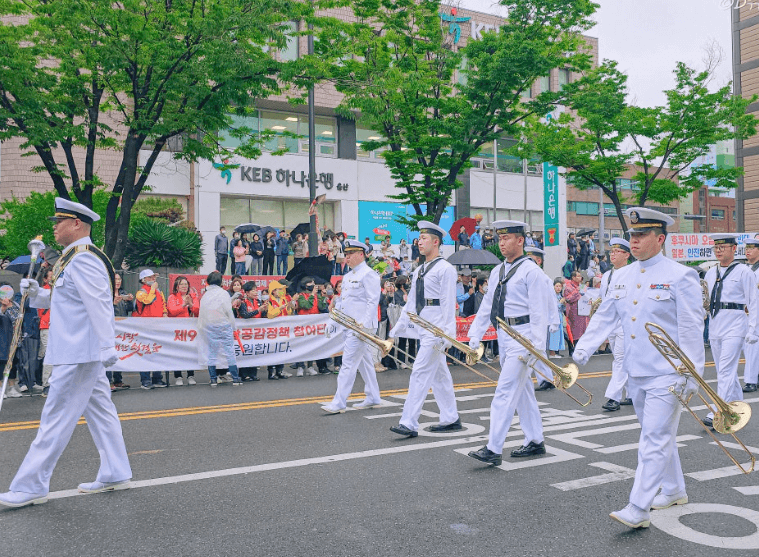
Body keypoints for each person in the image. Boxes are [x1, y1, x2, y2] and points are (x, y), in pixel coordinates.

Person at [571, 207, 704, 529]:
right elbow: (607, 316)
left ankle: (638, 507)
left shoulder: (680, 275)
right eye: (632, 235)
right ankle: (673, 489)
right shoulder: (621, 275)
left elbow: (690, 326)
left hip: (668, 372)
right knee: (656, 434)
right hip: (637, 371)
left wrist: (691, 373)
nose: (635, 240)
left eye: (642, 235)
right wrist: (585, 347)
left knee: (654, 439)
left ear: (660, 238)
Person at [0, 198, 131, 509]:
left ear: (76, 224)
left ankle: (31, 485)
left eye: (59, 221)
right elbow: (66, 302)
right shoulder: (71, 258)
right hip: (79, 351)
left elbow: (98, 304)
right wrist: (38, 294)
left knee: (55, 419)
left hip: (79, 354)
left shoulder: (84, 259)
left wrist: (106, 345)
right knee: (101, 414)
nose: (54, 227)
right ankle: (115, 470)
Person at [466, 221, 551, 467]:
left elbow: (538, 313)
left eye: (507, 238)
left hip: (523, 336)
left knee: (504, 391)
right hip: (505, 333)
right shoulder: (498, 271)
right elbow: (487, 305)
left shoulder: (531, 271)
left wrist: (538, 349)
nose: (501, 243)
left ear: (521, 241)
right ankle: (535, 440)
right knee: (523, 393)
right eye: (499, 239)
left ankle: (493, 447)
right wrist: (475, 334)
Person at [388, 221, 461, 436]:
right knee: (439, 376)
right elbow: (411, 303)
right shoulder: (419, 269)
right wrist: (396, 330)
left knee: (419, 372)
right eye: (419, 238)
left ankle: (409, 422)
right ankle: (451, 417)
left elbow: (448, 304)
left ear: (436, 242)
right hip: (423, 327)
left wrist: (448, 335)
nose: (419, 242)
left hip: (437, 329)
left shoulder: (445, 269)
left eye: (424, 238)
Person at [702, 233, 759, 428]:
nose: (718, 251)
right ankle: (736, 408)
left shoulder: (744, 272)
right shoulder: (711, 273)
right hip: (716, 324)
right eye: (716, 248)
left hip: (736, 324)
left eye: (723, 247)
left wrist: (753, 330)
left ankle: (716, 410)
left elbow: (754, 301)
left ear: (734, 249)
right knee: (725, 370)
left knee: (725, 370)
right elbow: (706, 302)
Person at [322, 240, 383, 413]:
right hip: (349, 325)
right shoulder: (348, 276)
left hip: (360, 327)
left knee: (348, 363)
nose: (346, 257)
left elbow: (373, 301)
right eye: (345, 254)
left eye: (350, 254)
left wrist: (364, 323)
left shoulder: (368, 274)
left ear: (361, 254)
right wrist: (332, 321)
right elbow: (342, 303)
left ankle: (339, 402)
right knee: (364, 363)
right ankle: (373, 396)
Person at [599, 238, 632, 412]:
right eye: (611, 251)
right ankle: (633, 393)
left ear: (627, 255)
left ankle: (613, 397)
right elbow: (603, 301)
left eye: (617, 251)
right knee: (624, 360)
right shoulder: (606, 275)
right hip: (611, 324)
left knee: (619, 360)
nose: (612, 254)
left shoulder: (632, 273)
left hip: (625, 323)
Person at [196, 271, 242, 387]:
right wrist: (234, 327)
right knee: (229, 352)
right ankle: (235, 378)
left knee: (212, 353)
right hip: (224, 325)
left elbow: (202, 312)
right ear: (220, 281)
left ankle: (213, 379)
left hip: (210, 326)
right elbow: (228, 311)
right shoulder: (223, 293)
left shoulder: (205, 295)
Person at [132, 269, 168, 389]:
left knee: (157, 353)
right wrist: (153, 289)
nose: (153, 279)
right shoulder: (140, 292)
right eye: (151, 277)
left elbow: (163, 304)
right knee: (146, 353)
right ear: (144, 280)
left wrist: (164, 313)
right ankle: (145, 380)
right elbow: (147, 300)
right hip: (145, 327)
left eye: (154, 277)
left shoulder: (159, 291)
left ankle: (157, 378)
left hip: (158, 327)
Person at [167, 276, 200, 386]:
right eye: (182, 284)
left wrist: (190, 304)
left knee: (190, 352)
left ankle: (190, 375)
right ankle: (178, 376)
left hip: (190, 330)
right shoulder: (172, 297)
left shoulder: (193, 296)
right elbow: (171, 312)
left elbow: (198, 311)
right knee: (178, 352)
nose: (184, 286)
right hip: (177, 330)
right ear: (176, 286)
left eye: (186, 284)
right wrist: (183, 305)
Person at [108, 271, 134, 391]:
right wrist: (113, 303)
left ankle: (118, 380)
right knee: (109, 354)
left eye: (119, 279)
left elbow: (130, 309)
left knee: (119, 354)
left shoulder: (123, 292)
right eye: (115, 279)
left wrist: (129, 301)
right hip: (110, 327)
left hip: (122, 327)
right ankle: (108, 381)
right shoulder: (107, 293)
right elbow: (104, 310)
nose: (118, 281)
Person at [235, 281, 266, 381]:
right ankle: (243, 374)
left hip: (256, 332)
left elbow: (262, 315)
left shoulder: (258, 302)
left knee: (254, 352)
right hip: (245, 333)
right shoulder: (243, 303)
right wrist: (258, 310)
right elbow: (244, 315)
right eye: (253, 291)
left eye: (256, 290)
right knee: (245, 352)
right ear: (247, 293)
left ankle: (253, 374)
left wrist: (265, 310)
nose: (256, 292)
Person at [264, 280, 292, 379]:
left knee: (281, 350)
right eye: (279, 289)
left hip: (283, 330)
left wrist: (288, 308)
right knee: (273, 351)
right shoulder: (269, 301)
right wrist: (279, 308)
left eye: (281, 289)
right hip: (273, 331)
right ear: (273, 291)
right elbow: (270, 315)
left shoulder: (284, 300)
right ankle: (271, 372)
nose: (281, 291)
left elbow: (288, 313)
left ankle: (279, 371)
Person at [743, 237, 759, 392]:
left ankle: (751, 380)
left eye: (752, 248)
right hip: (747, 315)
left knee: (753, 347)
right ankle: (753, 379)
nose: (748, 251)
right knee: (750, 347)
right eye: (747, 248)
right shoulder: (744, 269)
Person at [0, 285, 21, 399]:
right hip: (2, 339)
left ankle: (12, 388)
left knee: (13, 363)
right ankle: (1, 389)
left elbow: (18, 318)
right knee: (1, 363)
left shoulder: (16, 304)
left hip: (14, 339)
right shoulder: (2, 306)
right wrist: (3, 308)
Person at [564, 270, 587, 351]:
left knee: (583, 329)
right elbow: (568, 298)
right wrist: (577, 291)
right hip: (573, 312)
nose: (580, 278)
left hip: (583, 311)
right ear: (573, 277)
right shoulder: (568, 286)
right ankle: (572, 348)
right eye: (578, 276)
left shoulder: (582, 286)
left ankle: (581, 349)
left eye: (580, 276)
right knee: (574, 331)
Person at [548, 279, 567, 358]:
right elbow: (553, 307)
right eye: (557, 286)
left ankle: (556, 352)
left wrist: (564, 305)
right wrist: (560, 303)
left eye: (560, 286)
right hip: (553, 317)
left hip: (559, 316)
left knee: (558, 335)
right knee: (553, 334)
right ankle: (552, 353)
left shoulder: (560, 296)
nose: (558, 288)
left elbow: (562, 309)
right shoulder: (552, 296)